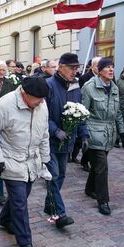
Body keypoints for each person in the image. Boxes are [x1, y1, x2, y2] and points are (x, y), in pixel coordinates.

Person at [0, 77, 51, 247]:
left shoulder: (41, 105)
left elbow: (44, 133)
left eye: (43, 99)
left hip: (31, 160)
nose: (42, 102)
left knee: (21, 196)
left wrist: (45, 159)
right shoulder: (5, 105)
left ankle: (5, 219)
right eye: (38, 99)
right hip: (10, 159)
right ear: (25, 94)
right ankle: (25, 240)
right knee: (20, 202)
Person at [44, 53, 86, 228]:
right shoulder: (48, 86)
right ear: (60, 67)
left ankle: (50, 204)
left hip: (67, 140)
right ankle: (59, 214)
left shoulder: (75, 87)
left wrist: (84, 134)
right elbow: (42, 115)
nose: (75, 72)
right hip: (50, 140)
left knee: (60, 175)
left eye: (77, 68)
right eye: (72, 68)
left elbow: (81, 111)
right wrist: (55, 130)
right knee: (53, 176)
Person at [82, 57, 124, 216]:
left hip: (109, 133)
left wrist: (122, 131)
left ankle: (89, 188)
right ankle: (103, 200)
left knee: (98, 166)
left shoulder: (114, 87)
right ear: (99, 71)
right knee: (102, 166)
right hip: (94, 131)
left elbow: (118, 112)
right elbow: (83, 112)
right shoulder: (89, 88)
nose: (111, 70)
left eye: (112, 67)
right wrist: (84, 134)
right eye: (107, 67)